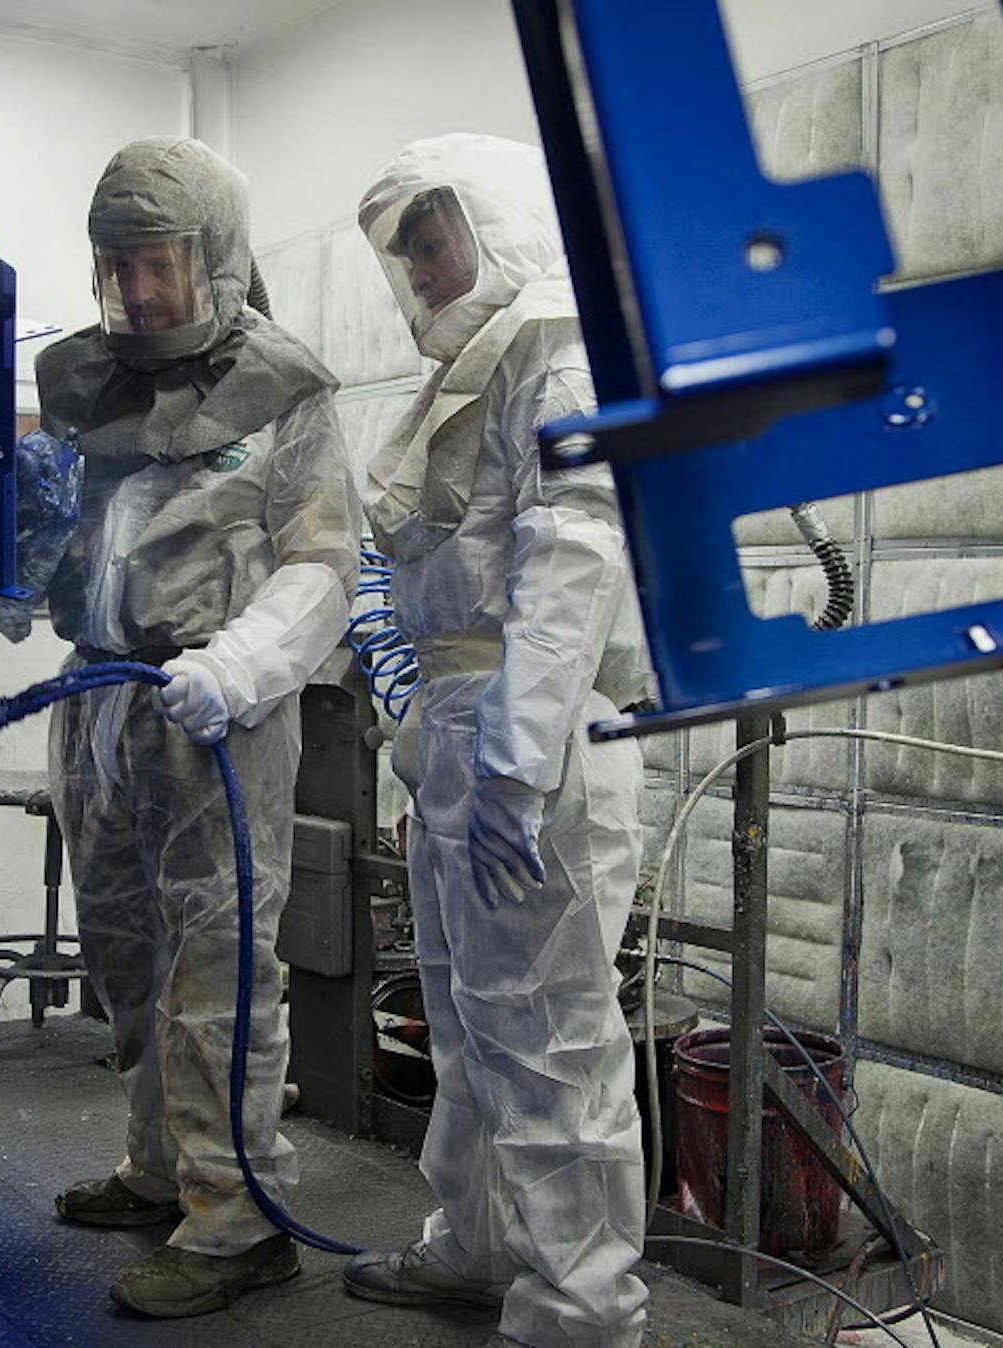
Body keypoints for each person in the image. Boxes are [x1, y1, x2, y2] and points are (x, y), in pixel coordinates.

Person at [0, 136, 359, 1319]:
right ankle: (160, 1170)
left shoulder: (288, 392)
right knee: (127, 948)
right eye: (115, 267)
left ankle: (239, 1222)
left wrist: (237, 666)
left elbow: (326, 567)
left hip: (217, 719)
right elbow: (26, 580)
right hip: (99, 703)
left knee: (218, 969)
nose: (135, 293)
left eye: (159, 266)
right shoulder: (78, 383)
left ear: (218, 258)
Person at [341, 133, 654, 1348]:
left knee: (551, 1039)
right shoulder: (472, 371)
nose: (420, 261)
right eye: (406, 244)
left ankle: (582, 1313)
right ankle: (475, 1248)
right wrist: (433, 731)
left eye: (437, 232)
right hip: (466, 736)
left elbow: (575, 554)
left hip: (542, 738)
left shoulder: (558, 360)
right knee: (468, 1016)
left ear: (502, 220)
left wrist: (519, 762)